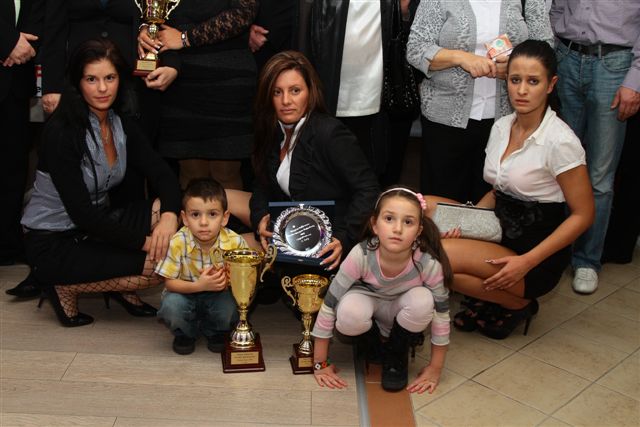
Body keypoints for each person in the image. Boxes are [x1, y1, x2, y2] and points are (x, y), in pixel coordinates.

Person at [20, 38, 181, 327]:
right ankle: (61, 286)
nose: (103, 88)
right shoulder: (61, 131)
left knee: (165, 212)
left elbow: (163, 174)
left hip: (95, 228)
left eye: (110, 78)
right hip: (52, 242)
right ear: (77, 83)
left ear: (121, 80)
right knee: (160, 265)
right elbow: (82, 214)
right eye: (91, 79)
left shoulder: (119, 122)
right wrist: (146, 244)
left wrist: (169, 216)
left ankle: (117, 280)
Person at [443, 40, 594, 340]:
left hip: (534, 253)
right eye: (515, 80)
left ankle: (519, 304)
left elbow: (584, 214)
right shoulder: (501, 127)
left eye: (533, 81)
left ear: (551, 85)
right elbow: (497, 191)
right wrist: (468, 226)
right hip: (500, 232)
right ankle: (490, 297)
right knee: (423, 214)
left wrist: (527, 262)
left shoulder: (561, 141)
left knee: (440, 256)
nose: (522, 90)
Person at [406, 0, 553, 203]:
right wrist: (460, 58)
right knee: (442, 203)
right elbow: (416, 49)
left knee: (495, 202)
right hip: (445, 118)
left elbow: (545, 48)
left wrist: (516, 67)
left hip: (507, 122)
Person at [247, 50, 380, 270]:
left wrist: (344, 237)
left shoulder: (330, 133)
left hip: (331, 236)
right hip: (292, 228)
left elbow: (368, 190)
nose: (286, 101)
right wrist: (260, 217)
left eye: (295, 91)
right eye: (277, 92)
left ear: (310, 92)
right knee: (222, 204)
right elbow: (261, 185)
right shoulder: (271, 129)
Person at [311, 187, 451, 393]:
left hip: (402, 309)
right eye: (389, 219)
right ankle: (373, 346)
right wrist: (320, 364)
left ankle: (397, 354)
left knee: (424, 301)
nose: (398, 229)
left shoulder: (428, 263)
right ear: (374, 225)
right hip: (368, 307)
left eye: (408, 222)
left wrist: (435, 369)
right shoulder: (360, 254)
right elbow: (329, 305)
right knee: (349, 310)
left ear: (419, 231)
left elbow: (441, 315)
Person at [550, 0, 640, 294]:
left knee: (600, 176)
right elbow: (557, 5)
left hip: (613, 66)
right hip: (567, 59)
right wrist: (558, 36)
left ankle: (586, 260)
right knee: (560, 165)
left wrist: (635, 80)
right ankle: (556, 250)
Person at [137, 0, 258, 191]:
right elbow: (153, 11)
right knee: (191, 174)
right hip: (180, 78)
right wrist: (146, 28)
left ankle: (230, 213)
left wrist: (186, 38)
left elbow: (243, 13)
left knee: (225, 173)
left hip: (227, 81)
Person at [298, 0, 419, 181]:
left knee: (365, 172)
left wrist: (403, 12)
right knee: (325, 171)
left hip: (372, 98)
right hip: (327, 96)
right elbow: (304, 36)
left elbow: (406, 28)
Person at [156, 178, 247, 355]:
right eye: (195, 215)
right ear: (185, 218)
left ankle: (215, 331)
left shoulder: (236, 242)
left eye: (212, 214)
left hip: (218, 295)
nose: (203, 222)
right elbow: (169, 283)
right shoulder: (177, 242)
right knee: (171, 305)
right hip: (184, 293)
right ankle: (185, 333)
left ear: (225, 218)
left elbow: (243, 282)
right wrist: (199, 285)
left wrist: (228, 282)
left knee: (229, 306)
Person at [1, 0, 43, 275]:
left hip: (18, 81)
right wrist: (6, 42)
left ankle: (7, 244)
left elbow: (43, 19)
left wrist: (21, 46)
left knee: (13, 165)